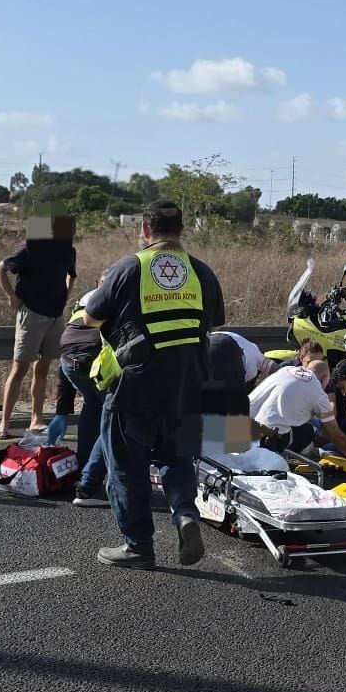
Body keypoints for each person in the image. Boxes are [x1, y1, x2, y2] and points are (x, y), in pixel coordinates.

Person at [82, 200, 225, 569]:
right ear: (181, 230)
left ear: (145, 230)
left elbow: (91, 317)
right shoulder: (201, 271)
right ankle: (184, 513)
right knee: (176, 459)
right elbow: (213, 322)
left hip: (136, 386)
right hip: (188, 385)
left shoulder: (129, 267)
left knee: (126, 467)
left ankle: (138, 546)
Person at [0, 216, 77, 439]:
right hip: (31, 313)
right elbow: (0, 269)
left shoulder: (69, 251)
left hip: (55, 316)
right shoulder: (29, 249)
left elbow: (71, 275)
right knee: (19, 369)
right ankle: (4, 424)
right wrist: (11, 297)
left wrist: (64, 297)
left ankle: (36, 420)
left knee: (42, 369)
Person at [249, 342, 346, 463]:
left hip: (238, 423)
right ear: (324, 378)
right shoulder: (319, 394)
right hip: (267, 438)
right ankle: (286, 456)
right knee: (308, 430)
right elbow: (335, 434)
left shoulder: (286, 370)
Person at [56, 291, 106, 482]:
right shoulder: (124, 293)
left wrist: (61, 412)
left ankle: (83, 466)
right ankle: (90, 479)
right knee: (116, 415)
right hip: (95, 356)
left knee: (93, 405)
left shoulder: (86, 298)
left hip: (69, 360)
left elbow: (71, 348)